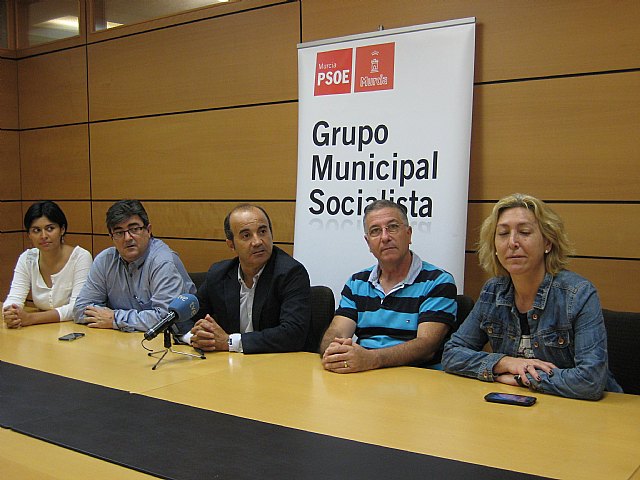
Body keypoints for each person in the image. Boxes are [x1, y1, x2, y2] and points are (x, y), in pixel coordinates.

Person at [442, 193, 622, 400]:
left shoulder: (578, 294)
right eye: (502, 233)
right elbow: (452, 354)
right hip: (517, 408)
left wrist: (521, 377)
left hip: (584, 413)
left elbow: (590, 381)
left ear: (548, 242)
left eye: (524, 232)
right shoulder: (493, 291)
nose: (512, 242)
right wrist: (505, 363)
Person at [320, 199, 457, 373]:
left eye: (392, 227)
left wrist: (371, 359)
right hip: (363, 377)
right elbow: (336, 333)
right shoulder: (356, 283)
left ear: (408, 234)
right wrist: (334, 351)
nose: (385, 237)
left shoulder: (438, 281)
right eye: (375, 231)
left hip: (418, 383)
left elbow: (426, 347)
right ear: (368, 242)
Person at [175, 204, 310, 354]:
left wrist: (229, 342)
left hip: (272, 366)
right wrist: (194, 337)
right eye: (246, 235)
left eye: (263, 231)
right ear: (231, 244)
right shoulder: (219, 274)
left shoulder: (290, 273)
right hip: (228, 365)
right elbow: (183, 318)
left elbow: (293, 334)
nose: (257, 241)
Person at [73, 200, 195, 332]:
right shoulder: (105, 261)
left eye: (134, 229)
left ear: (148, 230)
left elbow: (165, 319)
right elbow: (80, 309)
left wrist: (114, 319)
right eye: (119, 232)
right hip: (122, 340)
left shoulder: (163, 262)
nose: (127, 238)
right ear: (111, 237)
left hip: (172, 342)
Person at [3, 201, 92, 328]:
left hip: (75, 330)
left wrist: (31, 318)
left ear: (62, 229)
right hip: (41, 331)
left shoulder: (81, 257)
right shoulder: (27, 259)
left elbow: (77, 308)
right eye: (36, 230)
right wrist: (10, 313)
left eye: (50, 228)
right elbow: (14, 298)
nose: (43, 236)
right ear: (29, 234)